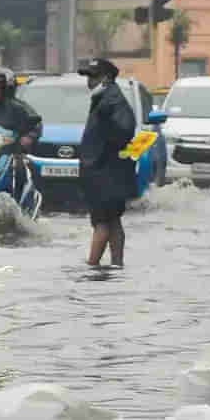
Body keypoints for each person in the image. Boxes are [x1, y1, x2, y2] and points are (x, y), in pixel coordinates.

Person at [78, 57, 136, 267]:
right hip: (102, 172)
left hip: (106, 173)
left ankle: (91, 267)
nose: (90, 82)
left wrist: (103, 154)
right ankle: (117, 265)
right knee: (111, 221)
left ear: (107, 78)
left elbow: (124, 130)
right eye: (88, 77)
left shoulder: (112, 101)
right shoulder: (103, 99)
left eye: (94, 77)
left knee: (102, 223)